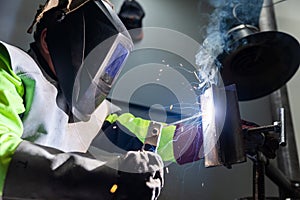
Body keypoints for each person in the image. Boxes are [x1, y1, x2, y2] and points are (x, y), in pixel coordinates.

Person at [0, 0, 203, 199]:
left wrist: (205, 140)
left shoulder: (94, 111)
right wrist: (107, 179)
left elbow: (146, 135)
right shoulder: (11, 66)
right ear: (47, 39)